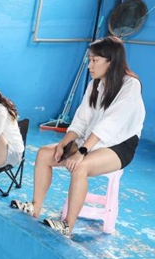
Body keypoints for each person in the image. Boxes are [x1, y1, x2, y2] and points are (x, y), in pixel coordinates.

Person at [11, 36, 145, 237]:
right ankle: (35, 207)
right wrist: (64, 143)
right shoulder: (95, 84)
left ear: (111, 61)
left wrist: (81, 151)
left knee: (80, 166)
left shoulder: (130, 85)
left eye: (95, 60)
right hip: (91, 140)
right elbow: (81, 121)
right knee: (44, 154)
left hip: (119, 146)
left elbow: (110, 125)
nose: (90, 65)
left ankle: (67, 225)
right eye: (89, 60)